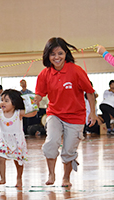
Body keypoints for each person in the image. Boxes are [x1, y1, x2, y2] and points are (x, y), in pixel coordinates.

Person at [34, 37, 97, 187]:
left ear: (66, 53)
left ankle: (66, 178)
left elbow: (89, 92)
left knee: (69, 150)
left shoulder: (76, 71)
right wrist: (33, 100)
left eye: (60, 53)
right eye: (53, 54)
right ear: (47, 56)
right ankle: (51, 173)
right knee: (51, 143)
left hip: (76, 117)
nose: (57, 57)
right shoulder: (45, 74)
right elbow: (39, 94)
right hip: (54, 114)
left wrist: (93, 112)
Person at [0, 89, 37, 187]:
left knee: (18, 161)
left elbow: (32, 113)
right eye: (2, 100)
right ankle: (3, 178)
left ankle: (19, 178)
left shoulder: (18, 113)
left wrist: (34, 104)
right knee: (0, 157)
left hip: (17, 140)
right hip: (4, 140)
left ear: (15, 103)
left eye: (6, 101)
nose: (2, 103)